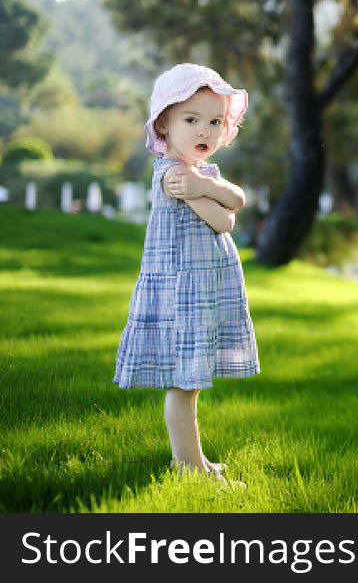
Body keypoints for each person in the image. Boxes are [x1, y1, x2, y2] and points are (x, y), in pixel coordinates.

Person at [114, 63, 259, 484]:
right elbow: (224, 220)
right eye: (191, 120)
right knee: (184, 383)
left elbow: (238, 198)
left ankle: (195, 461)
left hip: (203, 287)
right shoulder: (175, 175)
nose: (205, 131)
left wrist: (209, 187)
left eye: (215, 121)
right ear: (164, 123)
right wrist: (208, 191)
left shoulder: (202, 173)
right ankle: (188, 465)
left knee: (191, 382)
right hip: (183, 290)